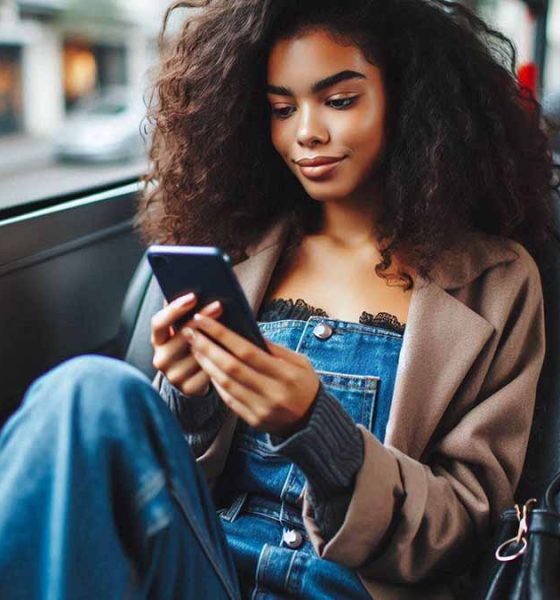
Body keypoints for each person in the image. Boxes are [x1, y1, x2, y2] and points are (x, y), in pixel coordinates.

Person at [0, 0, 557, 598]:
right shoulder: (237, 255)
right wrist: (193, 400)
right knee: (88, 390)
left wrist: (318, 430)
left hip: (352, 587)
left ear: (412, 101)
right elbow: (172, 484)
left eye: (339, 101)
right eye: (281, 109)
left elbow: (467, 527)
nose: (306, 133)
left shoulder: (496, 283)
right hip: (206, 569)